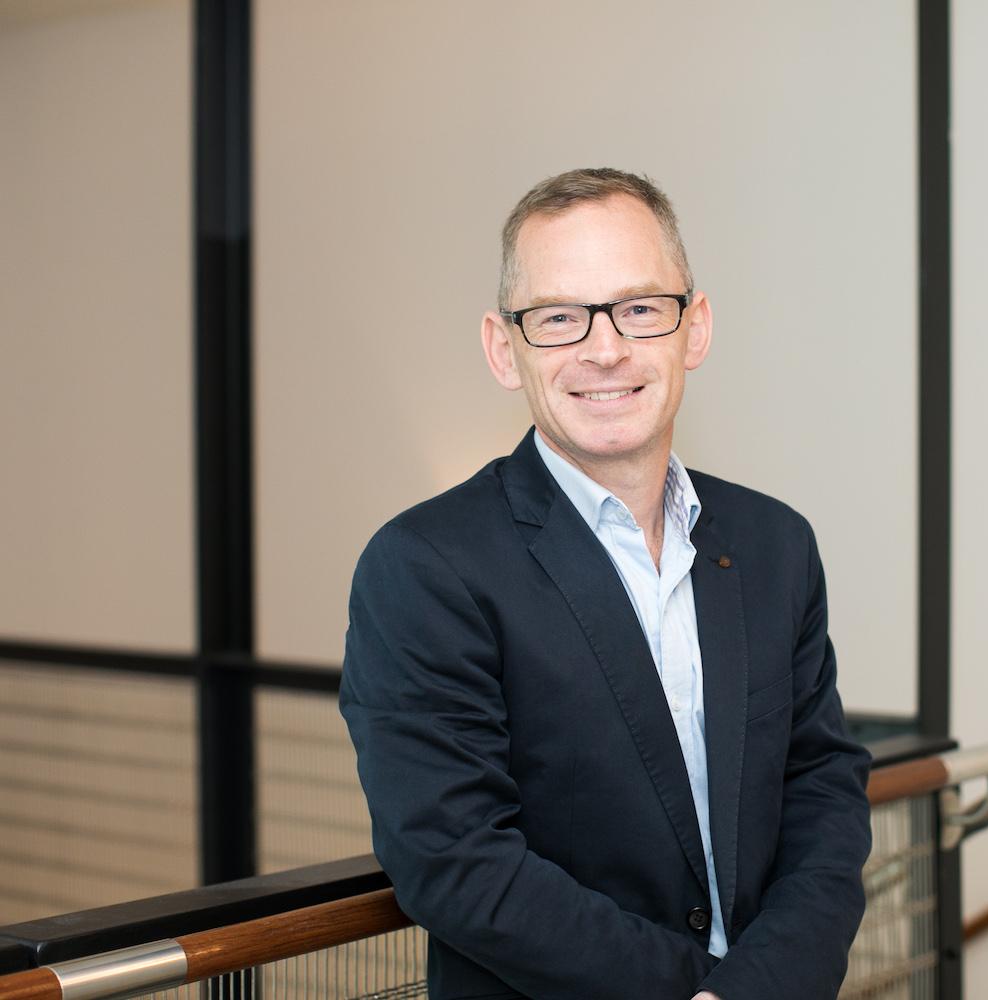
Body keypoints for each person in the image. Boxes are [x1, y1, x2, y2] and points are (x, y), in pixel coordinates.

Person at [340, 167, 871, 1000]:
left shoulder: (776, 545)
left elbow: (822, 797)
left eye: (639, 308)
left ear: (695, 328)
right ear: (503, 349)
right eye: (558, 317)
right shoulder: (425, 567)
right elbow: (456, 862)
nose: (605, 349)